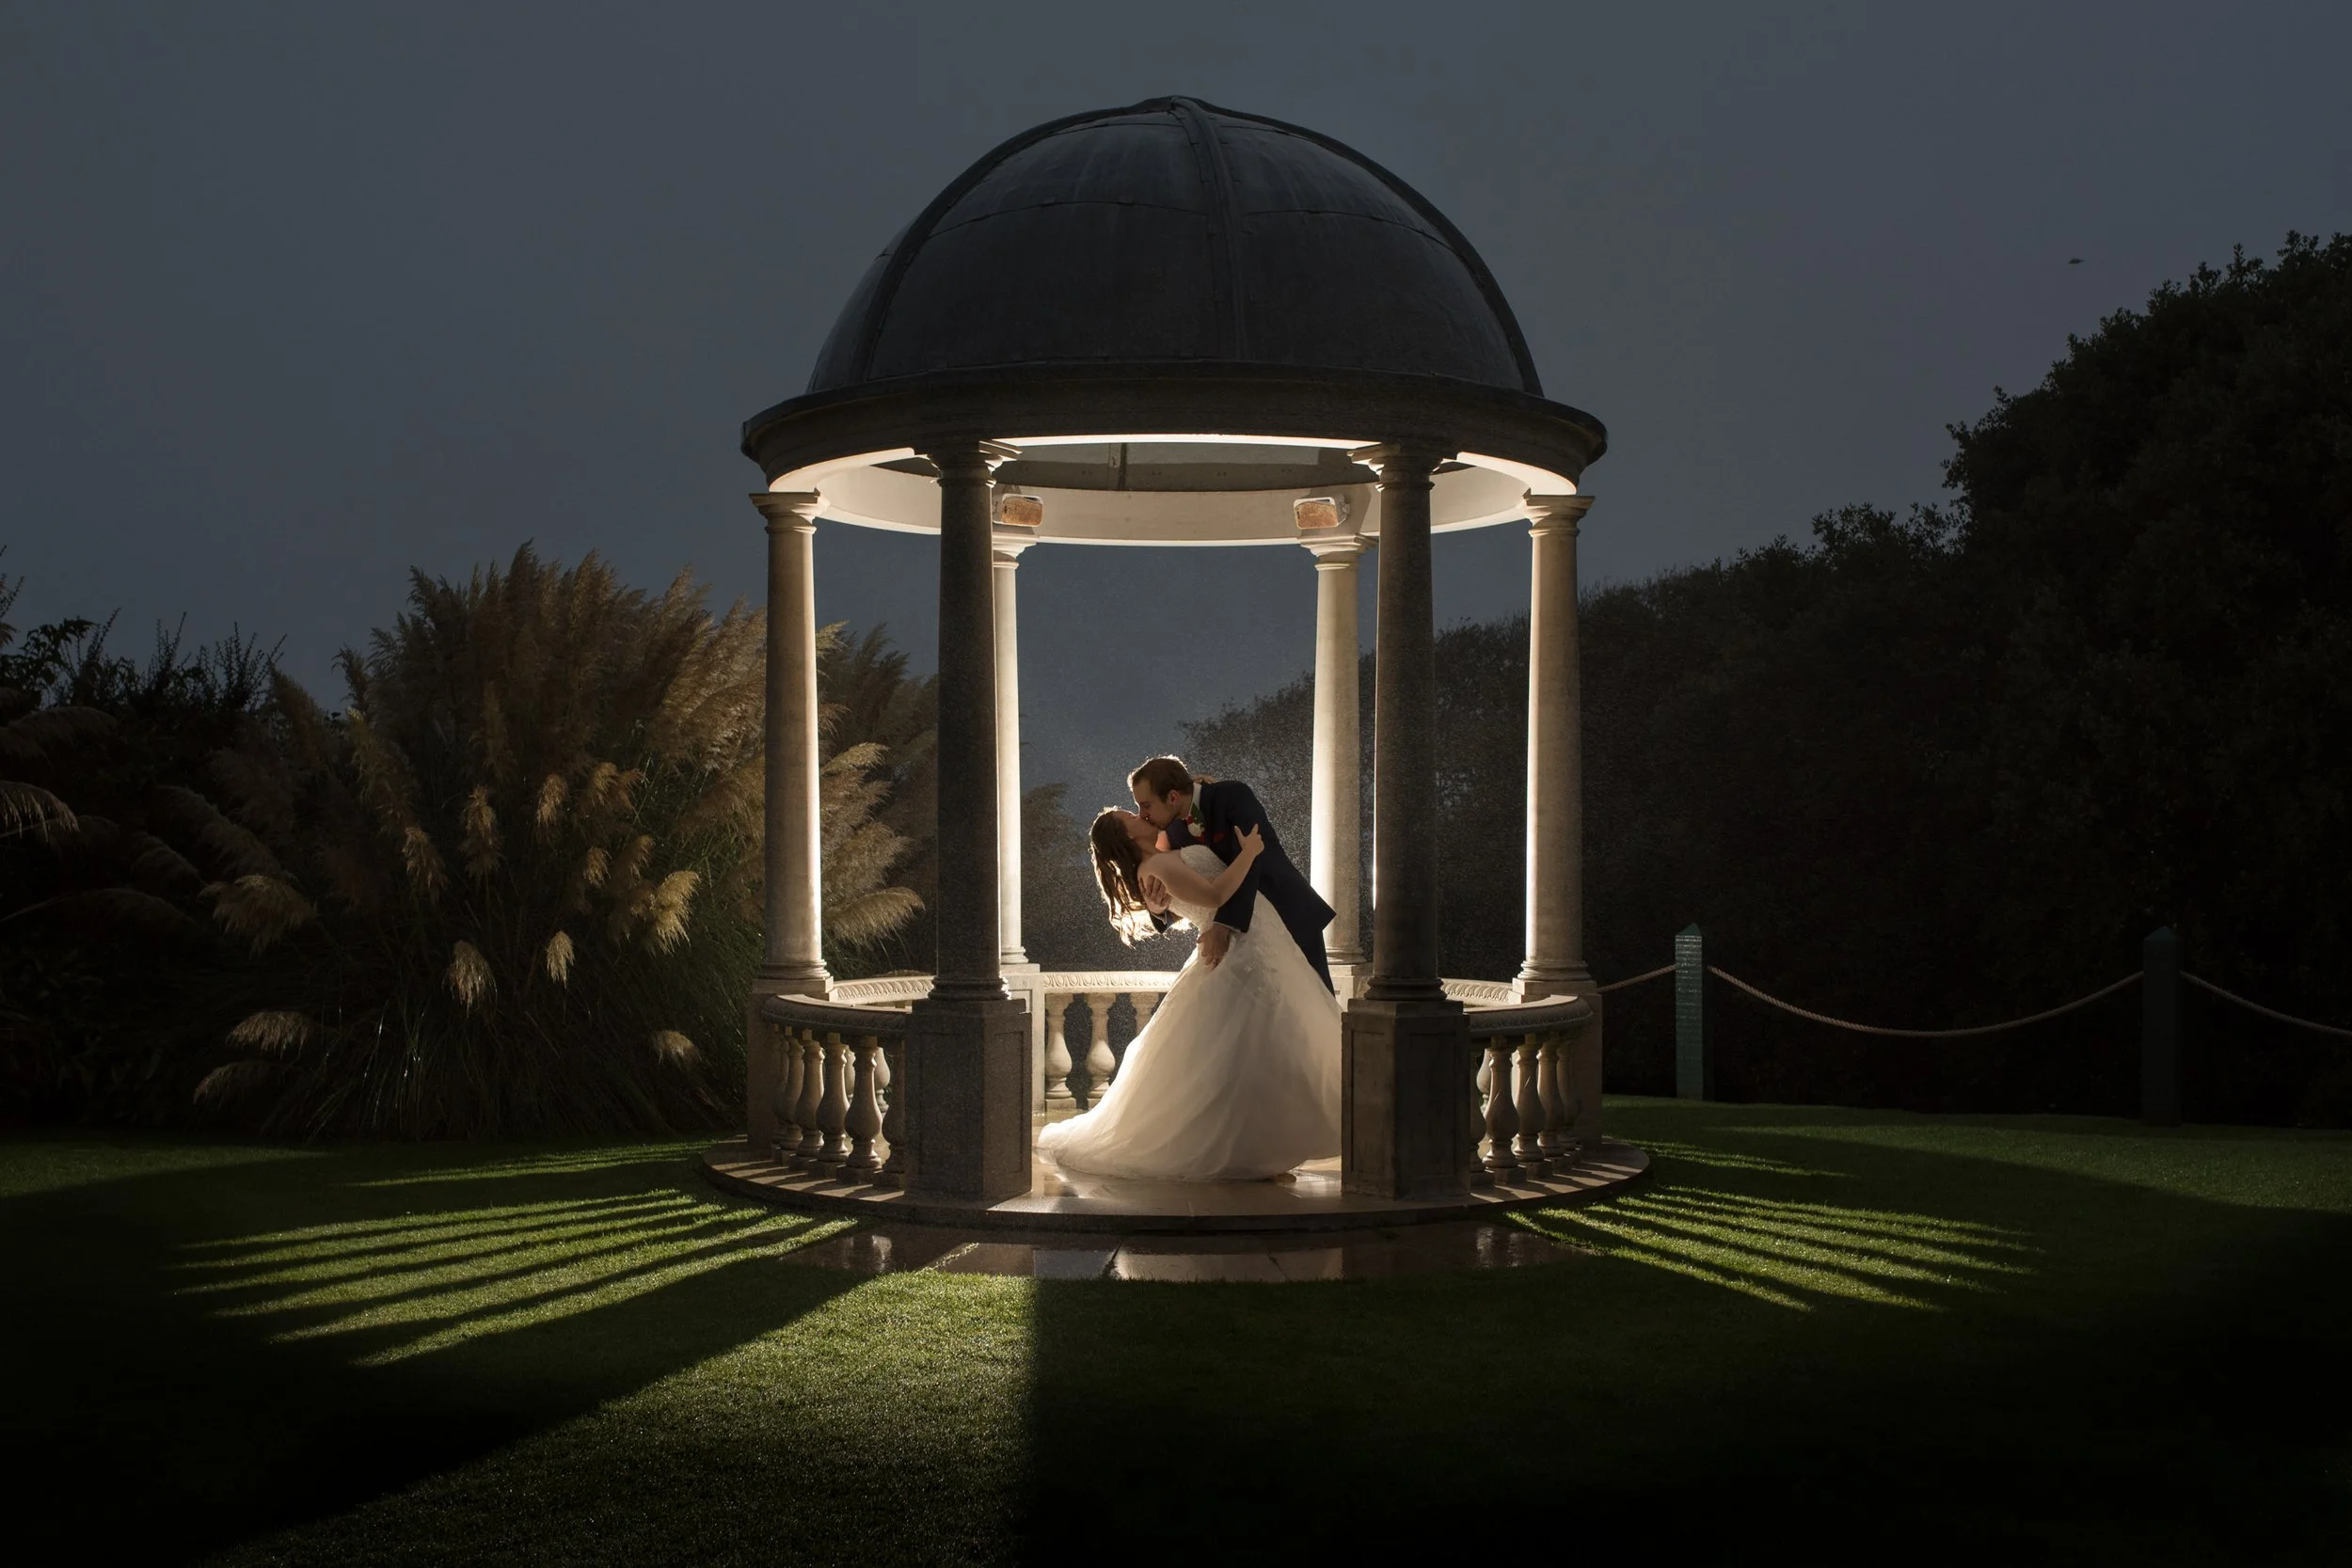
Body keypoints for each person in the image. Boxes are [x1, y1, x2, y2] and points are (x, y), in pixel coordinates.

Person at [1034, 764, 1342, 1181]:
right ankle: (1248, 1146)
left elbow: (1239, 868)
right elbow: (1200, 887)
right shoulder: (1171, 832)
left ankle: (1267, 1140)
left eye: (1143, 805)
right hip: (1247, 941)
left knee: (1300, 1026)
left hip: (1284, 921)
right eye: (1134, 812)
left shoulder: (1228, 797)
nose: (1140, 813)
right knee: (1256, 1046)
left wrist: (1216, 917)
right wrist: (1163, 908)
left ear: (1173, 797)